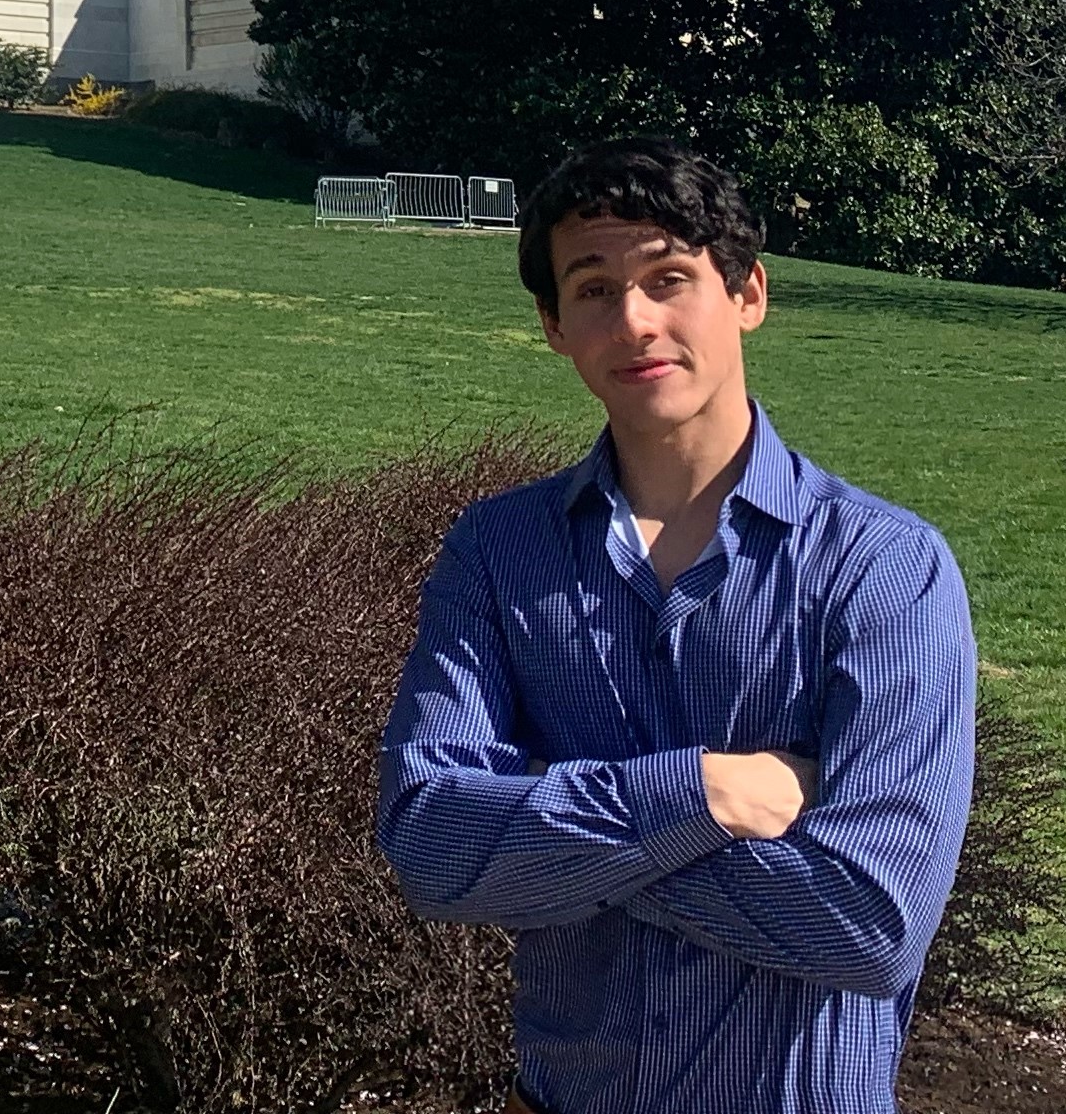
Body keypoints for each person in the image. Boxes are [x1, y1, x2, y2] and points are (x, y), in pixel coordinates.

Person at [374, 140, 974, 1114]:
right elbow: (429, 845)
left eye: (669, 278)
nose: (635, 320)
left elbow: (872, 921)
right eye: (595, 288)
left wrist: (543, 825)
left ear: (748, 295)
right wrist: (699, 794)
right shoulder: (498, 553)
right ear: (554, 324)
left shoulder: (885, 571)